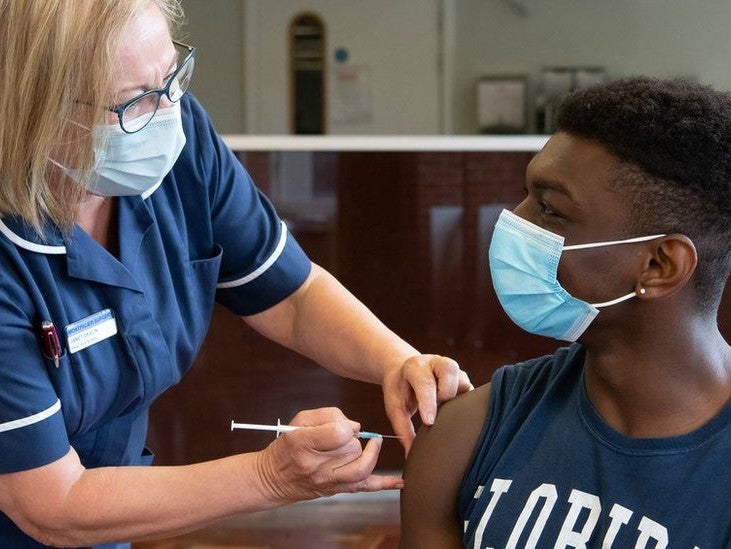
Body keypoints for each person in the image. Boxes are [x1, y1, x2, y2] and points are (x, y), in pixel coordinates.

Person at [0, 1, 473, 547]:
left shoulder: (175, 143)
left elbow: (290, 295)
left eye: (173, 77)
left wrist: (397, 361)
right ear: (37, 111)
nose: (168, 113)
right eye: (132, 103)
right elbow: (52, 505)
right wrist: (269, 477)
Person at [400, 76, 731, 548]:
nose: (513, 221)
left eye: (550, 210)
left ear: (658, 265)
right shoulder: (466, 433)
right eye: (527, 196)